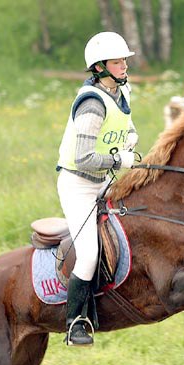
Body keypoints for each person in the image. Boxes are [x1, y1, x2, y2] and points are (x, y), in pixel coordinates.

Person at [56, 32, 138, 346]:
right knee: (89, 253)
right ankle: (75, 323)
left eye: (124, 60)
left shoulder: (122, 90)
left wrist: (129, 140)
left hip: (104, 181)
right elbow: (84, 157)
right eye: (117, 61)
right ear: (99, 67)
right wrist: (122, 160)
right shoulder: (91, 103)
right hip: (78, 185)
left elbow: (126, 127)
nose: (123, 65)